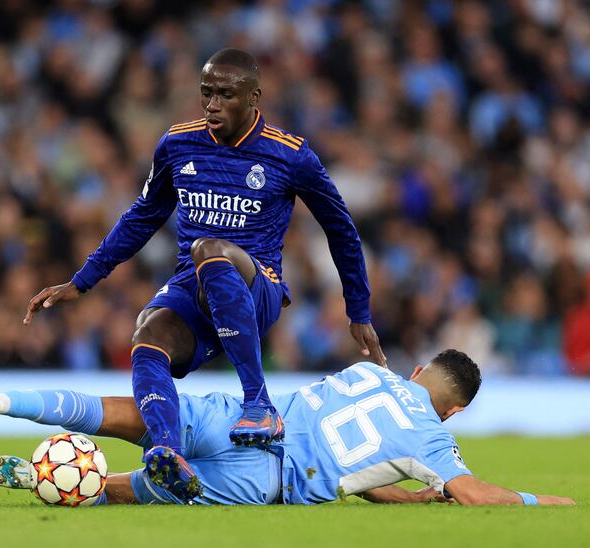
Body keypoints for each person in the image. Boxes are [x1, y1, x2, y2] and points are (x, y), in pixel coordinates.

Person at [20, 48, 384, 500]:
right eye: (206, 93)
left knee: (209, 249)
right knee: (147, 336)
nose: (212, 104)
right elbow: (143, 215)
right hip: (195, 290)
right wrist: (82, 280)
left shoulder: (291, 155)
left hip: (258, 289)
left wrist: (359, 310)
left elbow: (341, 231)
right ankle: (168, 454)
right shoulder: (177, 143)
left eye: (225, 95)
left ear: (254, 97)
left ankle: (258, 404)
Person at [0, 349, 573, 506]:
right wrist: (543, 500)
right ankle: (76, 485)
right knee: (150, 490)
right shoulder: (432, 442)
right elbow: (471, 492)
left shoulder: (371, 372)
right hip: (274, 477)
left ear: (420, 368)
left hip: (253, 416)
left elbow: (371, 478)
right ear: (455, 409)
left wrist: (408, 493)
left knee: (126, 414)